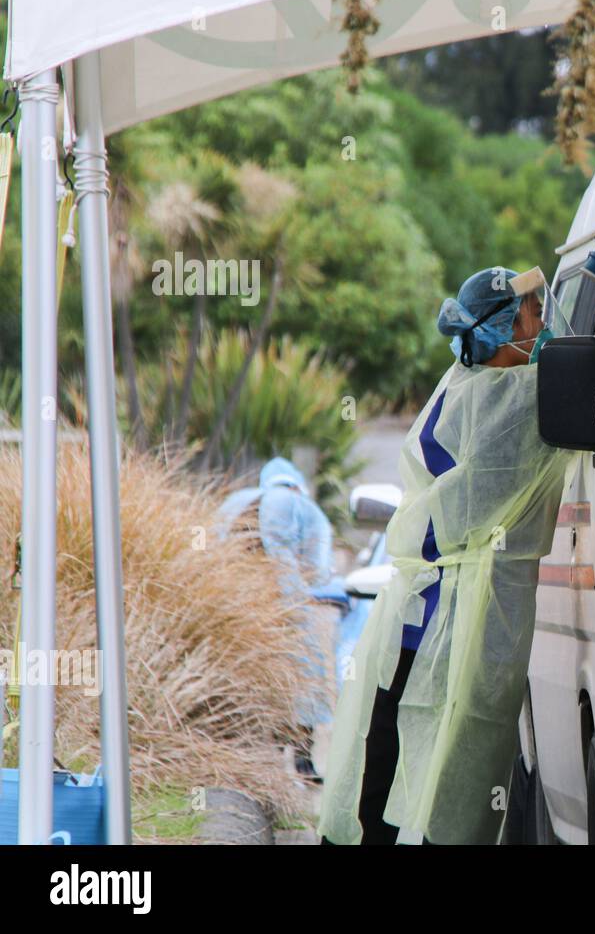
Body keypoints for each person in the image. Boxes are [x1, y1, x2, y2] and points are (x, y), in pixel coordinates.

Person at [318, 266, 576, 845]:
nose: (544, 321)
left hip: (416, 617)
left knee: (390, 757)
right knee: (438, 763)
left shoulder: (461, 382)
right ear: (504, 326)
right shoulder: (511, 398)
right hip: (454, 618)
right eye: (533, 311)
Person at [217, 457, 334, 777]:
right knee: (302, 679)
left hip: (234, 607)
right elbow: (320, 570)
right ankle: (302, 762)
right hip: (287, 608)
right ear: (296, 482)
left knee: (248, 680)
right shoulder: (303, 506)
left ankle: (255, 760)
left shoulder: (234, 501)